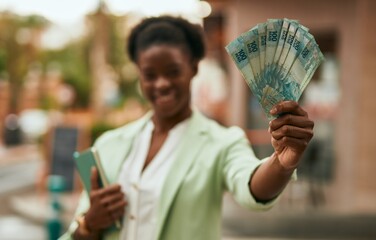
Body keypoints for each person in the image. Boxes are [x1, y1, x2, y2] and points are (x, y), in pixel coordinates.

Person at [60, 15, 314, 240]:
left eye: (172, 71)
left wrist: (282, 163)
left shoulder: (221, 141)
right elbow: (79, 230)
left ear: (193, 68)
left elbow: (251, 186)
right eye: (150, 74)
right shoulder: (108, 144)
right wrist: (88, 224)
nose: (161, 84)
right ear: (139, 74)